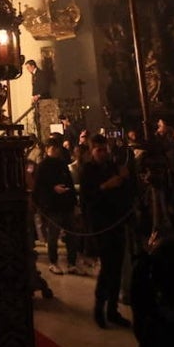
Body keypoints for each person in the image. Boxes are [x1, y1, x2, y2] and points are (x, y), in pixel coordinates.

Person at [81, 134, 133, 328]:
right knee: (107, 267)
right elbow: (87, 199)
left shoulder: (112, 167)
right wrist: (104, 186)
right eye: (99, 150)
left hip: (116, 222)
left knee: (117, 266)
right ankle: (99, 308)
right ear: (92, 151)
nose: (103, 153)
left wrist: (125, 178)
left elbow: (125, 193)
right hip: (101, 225)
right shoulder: (88, 170)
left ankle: (112, 310)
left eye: (105, 149)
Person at [34, 136, 81, 275]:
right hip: (52, 206)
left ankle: (71, 263)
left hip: (66, 204)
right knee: (53, 236)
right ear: (47, 149)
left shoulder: (62, 164)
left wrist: (72, 199)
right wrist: (52, 189)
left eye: (57, 148)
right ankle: (53, 262)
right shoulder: (42, 166)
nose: (55, 151)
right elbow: (39, 187)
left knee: (72, 235)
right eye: (53, 148)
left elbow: (69, 182)